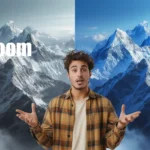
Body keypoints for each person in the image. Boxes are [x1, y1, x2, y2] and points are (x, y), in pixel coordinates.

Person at [16, 50, 141, 150]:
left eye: (84, 69)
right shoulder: (55, 104)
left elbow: (110, 144)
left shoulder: (104, 104)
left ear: (90, 74)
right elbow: (48, 142)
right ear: (68, 75)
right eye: (74, 70)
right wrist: (35, 127)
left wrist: (120, 126)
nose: (79, 74)